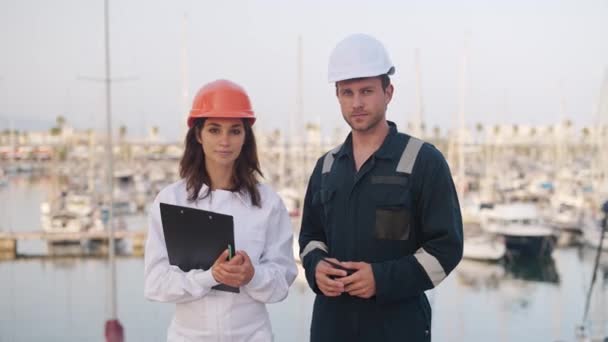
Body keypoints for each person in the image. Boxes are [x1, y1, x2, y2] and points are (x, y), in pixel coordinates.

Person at [298, 34, 463, 342]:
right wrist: (315, 266)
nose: (357, 102)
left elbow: (446, 249)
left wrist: (382, 280)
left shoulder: (423, 162)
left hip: (398, 327)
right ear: (338, 96)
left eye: (367, 91)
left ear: (388, 92)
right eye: (347, 92)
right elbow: (310, 237)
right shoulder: (326, 167)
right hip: (331, 327)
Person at [144, 79, 298, 341]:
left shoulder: (268, 203)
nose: (224, 141)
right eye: (215, 130)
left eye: (235, 131)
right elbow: (156, 284)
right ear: (198, 134)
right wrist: (209, 277)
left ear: (245, 136)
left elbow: (281, 285)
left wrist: (252, 275)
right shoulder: (171, 201)